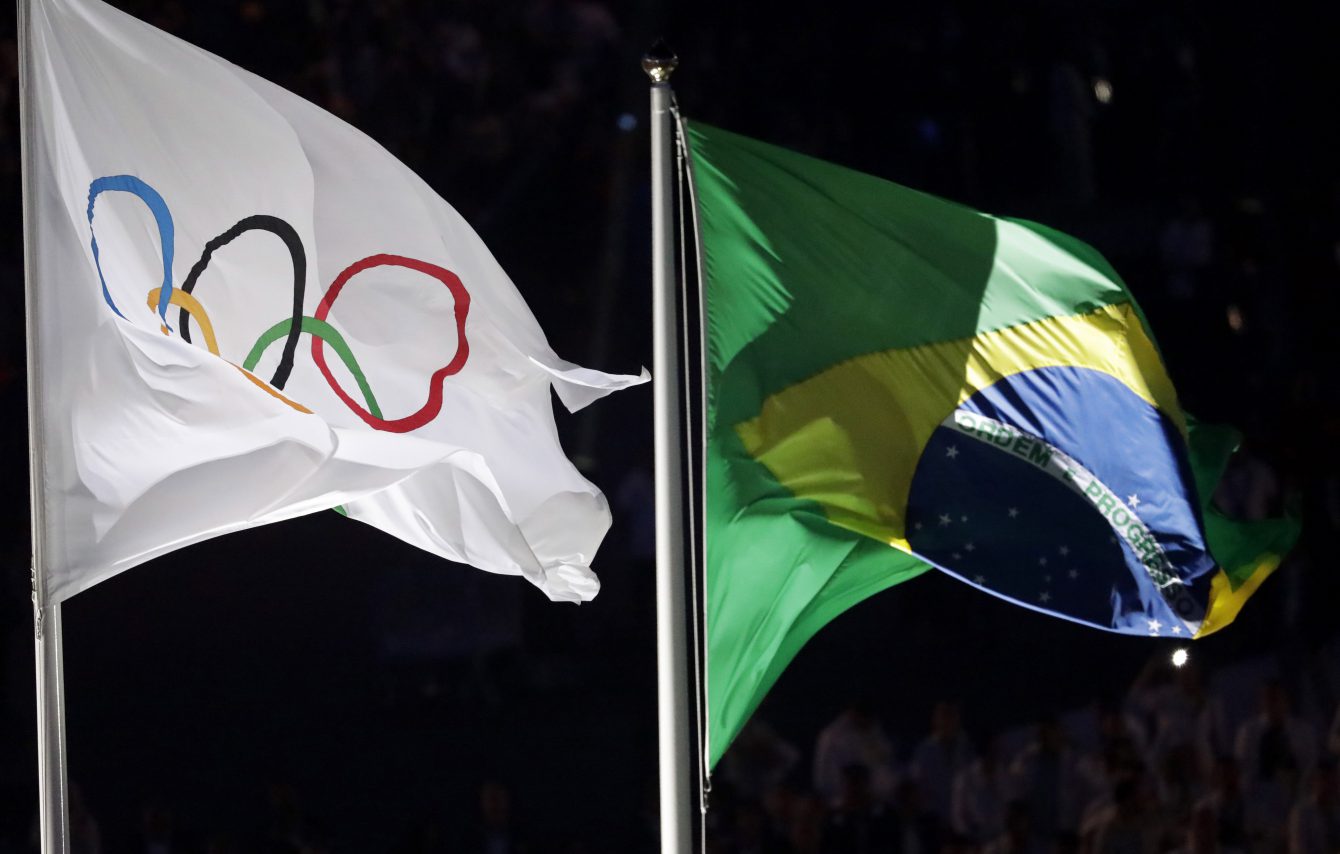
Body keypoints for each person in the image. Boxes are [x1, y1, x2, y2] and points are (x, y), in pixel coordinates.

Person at [813, 700, 897, 805]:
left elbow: (886, 765)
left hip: (880, 800)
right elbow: (825, 779)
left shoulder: (875, 732)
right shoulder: (832, 738)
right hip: (845, 802)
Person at [909, 701, 976, 825]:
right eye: (944, 716)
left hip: (963, 821)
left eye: (952, 716)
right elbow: (918, 786)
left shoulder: (967, 749)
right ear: (936, 720)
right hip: (934, 820)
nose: (948, 721)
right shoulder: (924, 751)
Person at [952, 736, 1011, 843]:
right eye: (990, 751)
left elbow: (1012, 808)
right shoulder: (966, 778)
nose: (994, 755)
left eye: (996, 751)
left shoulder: (1005, 776)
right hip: (975, 841)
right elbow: (958, 816)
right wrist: (969, 838)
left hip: (1002, 842)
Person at [1287, 762, 1340, 854]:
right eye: (1325, 780)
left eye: (1333, 782)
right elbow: (1298, 849)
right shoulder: (1302, 813)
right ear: (1315, 782)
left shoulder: (1336, 812)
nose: (1330, 786)